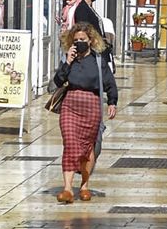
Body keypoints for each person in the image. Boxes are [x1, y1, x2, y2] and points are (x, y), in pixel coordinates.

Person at [50, 23, 118, 203]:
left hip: (91, 106)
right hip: (70, 105)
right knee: (71, 144)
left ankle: (84, 186)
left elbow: (110, 83)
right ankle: (67, 189)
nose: (80, 43)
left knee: (88, 148)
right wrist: (68, 61)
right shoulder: (68, 60)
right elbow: (57, 82)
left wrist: (112, 102)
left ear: (91, 41)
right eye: (76, 40)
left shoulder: (97, 61)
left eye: (83, 40)